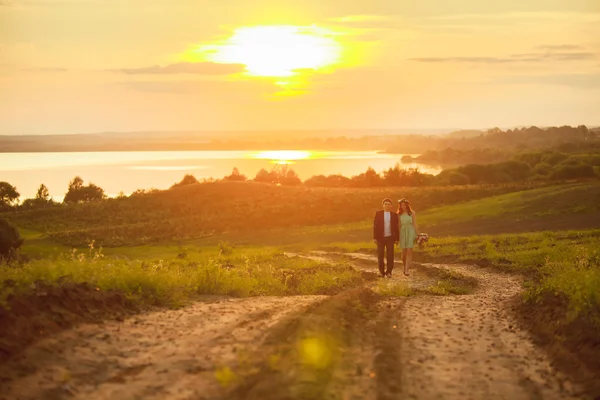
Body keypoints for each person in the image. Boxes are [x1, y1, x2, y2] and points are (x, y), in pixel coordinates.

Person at [373, 198, 399, 278]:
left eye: (388, 204)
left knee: (390, 255)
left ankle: (389, 272)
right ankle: (381, 272)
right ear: (383, 205)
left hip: (390, 238)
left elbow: (396, 228)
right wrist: (375, 237)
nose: (387, 205)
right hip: (380, 238)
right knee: (380, 255)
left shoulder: (394, 215)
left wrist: (397, 239)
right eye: (385, 204)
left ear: (391, 206)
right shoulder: (378, 213)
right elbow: (375, 226)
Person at [398, 198, 419, 276]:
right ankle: (404, 266)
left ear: (407, 205)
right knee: (404, 251)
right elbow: (399, 225)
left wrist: (418, 234)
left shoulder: (412, 213)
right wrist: (398, 236)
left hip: (410, 231)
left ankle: (406, 270)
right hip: (403, 232)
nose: (403, 206)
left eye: (404, 205)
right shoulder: (399, 214)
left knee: (409, 250)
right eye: (401, 205)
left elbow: (414, 224)